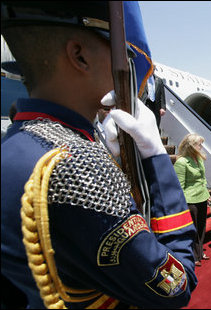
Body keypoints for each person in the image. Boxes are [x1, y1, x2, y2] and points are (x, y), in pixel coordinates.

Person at [1, 2, 197, 309]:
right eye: (119, 50)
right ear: (79, 55)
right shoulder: (78, 165)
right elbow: (175, 285)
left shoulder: (13, 145)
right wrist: (156, 157)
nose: (128, 64)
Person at [174, 133, 211, 267]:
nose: (201, 146)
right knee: (193, 229)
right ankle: (193, 255)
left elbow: (202, 178)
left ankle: (200, 252)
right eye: (199, 144)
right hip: (190, 201)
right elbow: (179, 186)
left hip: (202, 197)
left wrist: (207, 193)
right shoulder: (181, 162)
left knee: (201, 227)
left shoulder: (198, 158)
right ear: (191, 146)